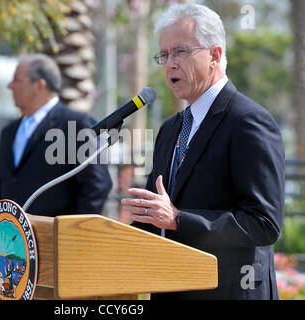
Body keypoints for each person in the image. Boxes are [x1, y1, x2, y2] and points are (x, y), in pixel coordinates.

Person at [121, 4, 285, 300]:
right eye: (164, 55)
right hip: (171, 287)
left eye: (180, 52)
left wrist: (180, 219)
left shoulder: (248, 121)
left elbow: (264, 223)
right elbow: (156, 213)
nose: (170, 63)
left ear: (215, 55)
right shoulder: (171, 128)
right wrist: (111, 235)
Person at [0, 54, 112, 216]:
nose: (10, 86)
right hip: (12, 237)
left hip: (57, 237)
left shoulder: (75, 125)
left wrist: (73, 232)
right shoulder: (9, 132)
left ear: (39, 85)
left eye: (17, 80)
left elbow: (98, 184)